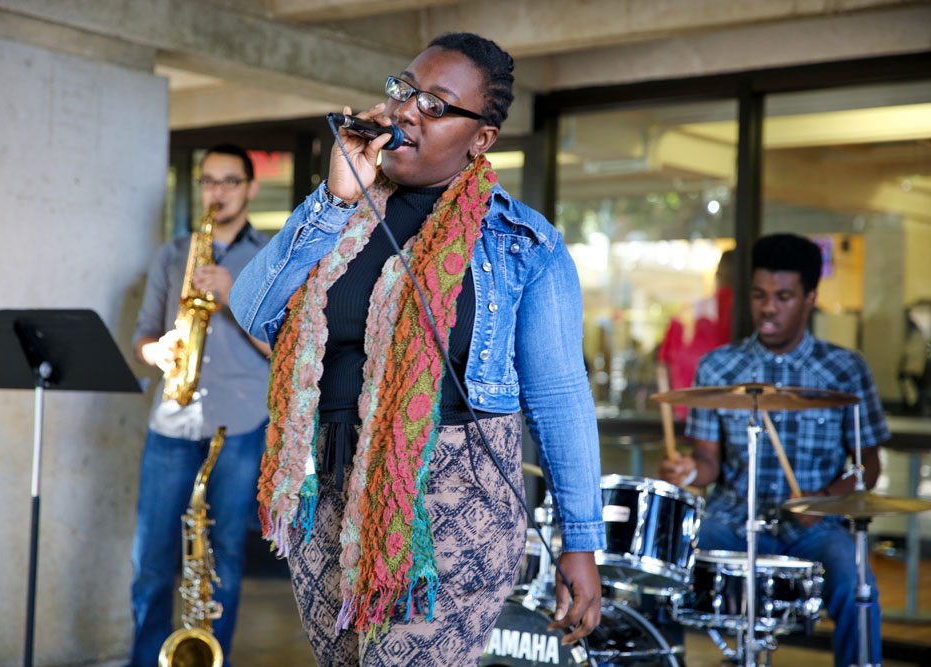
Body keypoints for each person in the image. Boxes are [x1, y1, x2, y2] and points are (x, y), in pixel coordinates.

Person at [229, 33, 605, 667]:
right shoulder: (342, 214)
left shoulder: (521, 242)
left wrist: (581, 542)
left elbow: (560, 394)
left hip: (459, 498)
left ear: (480, 138)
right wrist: (332, 201)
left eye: (435, 104)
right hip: (330, 490)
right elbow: (252, 309)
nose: (406, 111)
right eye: (403, 90)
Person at [660, 233, 890, 667]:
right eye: (760, 295)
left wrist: (822, 503)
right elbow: (709, 462)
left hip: (812, 529)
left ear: (810, 297)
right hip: (730, 520)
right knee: (665, 566)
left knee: (857, 583)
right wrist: (690, 471)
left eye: (783, 297)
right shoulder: (719, 367)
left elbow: (869, 463)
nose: (768, 308)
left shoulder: (845, 368)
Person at [127, 144, 273, 667]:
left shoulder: (269, 258)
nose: (218, 191)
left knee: (224, 559)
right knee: (151, 563)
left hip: (238, 425)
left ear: (251, 188)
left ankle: (212, 660)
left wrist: (235, 295)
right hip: (172, 421)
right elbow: (142, 335)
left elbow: (285, 346)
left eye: (230, 181)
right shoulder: (173, 254)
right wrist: (156, 351)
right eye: (209, 181)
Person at [657, 249, 734, 419]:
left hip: (687, 417)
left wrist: (670, 416)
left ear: (717, 275)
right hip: (730, 419)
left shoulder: (687, 314)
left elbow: (663, 367)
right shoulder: (756, 316)